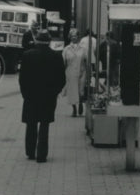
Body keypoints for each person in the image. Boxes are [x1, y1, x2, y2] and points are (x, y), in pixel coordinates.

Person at [18, 28, 66, 162]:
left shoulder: (27, 55)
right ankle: (41, 154)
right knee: (45, 124)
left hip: (31, 96)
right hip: (48, 97)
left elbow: (22, 78)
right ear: (49, 41)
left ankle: (30, 152)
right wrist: (54, 92)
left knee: (31, 123)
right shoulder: (56, 56)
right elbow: (61, 78)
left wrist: (25, 93)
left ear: (36, 40)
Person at [62, 28, 88, 117]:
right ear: (70, 37)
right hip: (70, 73)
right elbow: (63, 63)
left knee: (81, 92)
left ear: (78, 37)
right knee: (72, 92)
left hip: (82, 72)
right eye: (72, 36)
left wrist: (89, 74)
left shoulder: (83, 49)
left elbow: (87, 62)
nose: (74, 38)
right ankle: (74, 109)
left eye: (75, 36)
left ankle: (80, 104)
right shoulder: (66, 49)